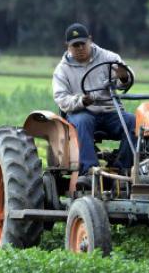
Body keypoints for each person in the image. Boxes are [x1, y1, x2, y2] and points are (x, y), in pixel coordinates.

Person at [52, 23, 136, 185]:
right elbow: (62, 99)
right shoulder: (62, 70)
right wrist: (81, 100)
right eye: (75, 45)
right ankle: (90, 171)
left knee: (134, 122)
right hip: (82, 112)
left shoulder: (109, 58)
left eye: (82, 44)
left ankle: (123, 169)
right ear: (67, 46)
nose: (80, 48)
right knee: (83, 121)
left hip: (110, 111)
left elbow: (125, 79)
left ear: (90, 40)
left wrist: (124, 77)